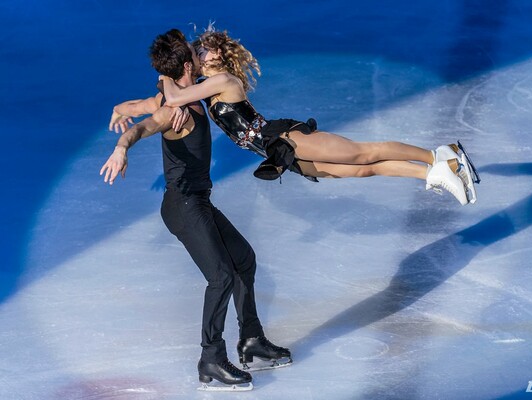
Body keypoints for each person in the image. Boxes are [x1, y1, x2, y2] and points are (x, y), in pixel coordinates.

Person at [100, 28, 291, 391]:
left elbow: (136, 108)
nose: (200, 53)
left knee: (243, 260)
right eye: (195, 52)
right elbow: (143, 126)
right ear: (188, 65)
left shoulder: (178, 95)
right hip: (184, 205)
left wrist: (118, 108)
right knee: (220, 276)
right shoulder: (176, 112)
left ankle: (251, 341)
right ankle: (211, 359)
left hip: (197, 201)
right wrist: (122, 146)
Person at [157, 24, 478, 205]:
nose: (197, 54)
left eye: (201, 50)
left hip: (285, 139)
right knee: (362, 171)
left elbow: (175, 96)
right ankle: (434, 172)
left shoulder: (223, 81)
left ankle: (438, 155)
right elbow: (180, 97)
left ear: (217, 55)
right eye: (195, 51)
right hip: (277, 154)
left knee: (363, 153)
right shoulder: (208, 87)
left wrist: (164, 73)